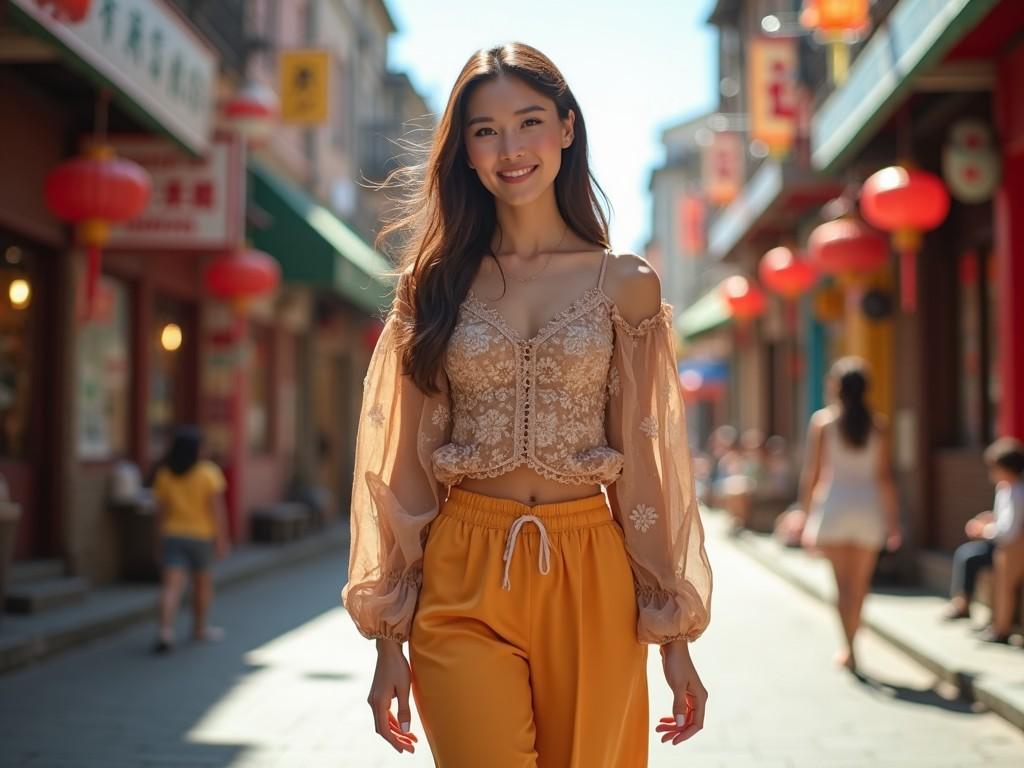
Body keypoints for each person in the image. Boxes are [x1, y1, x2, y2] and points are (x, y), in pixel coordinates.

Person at [341, 43, 712, 766]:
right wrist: (389, 638)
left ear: (567, 129)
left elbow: (648, 463)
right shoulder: (434, 287)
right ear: (467, 152)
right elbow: (401, 467)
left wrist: (673, 633)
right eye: (485, 130)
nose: (510, 148)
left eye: (530, 121)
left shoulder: (626, 283)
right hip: (462, 567)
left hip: (591, 569)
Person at [798, 357, 901, 671]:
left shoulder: (823, 422)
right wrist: (894, 521)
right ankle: (854, 637)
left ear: (836, 387)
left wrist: (803, 513)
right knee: (860, 585)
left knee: (841, 586)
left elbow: (813, 474)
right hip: (868, 507)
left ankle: (850, 648)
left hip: (835, 506)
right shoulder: (878, 425)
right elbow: (884, 477)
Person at [151, 425, 230, 653]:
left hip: (172, 535)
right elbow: (217, 510)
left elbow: (160, 513)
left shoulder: (165, 474)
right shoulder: (208, 473)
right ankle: (200, 628)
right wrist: (222, 539)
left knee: (171, 587)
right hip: (201, 537)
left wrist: (157, 540)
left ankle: (165, 631)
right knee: (202, 585)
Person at [943, 437, 1024, 643]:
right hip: (1001, 542)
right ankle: (964, 603)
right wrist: (988, 521)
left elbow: (1010, 531)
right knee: (967, 555)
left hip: (1011, 546)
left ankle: (1001, 627)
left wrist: (984, 529)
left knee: (992, 570)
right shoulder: (1004, 490)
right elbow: (1002, 520)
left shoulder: (1018, 492)